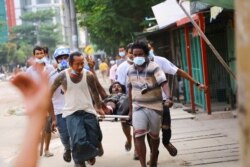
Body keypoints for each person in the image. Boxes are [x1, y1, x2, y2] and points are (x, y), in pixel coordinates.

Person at [146, 41, 207, 164]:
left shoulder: (160, 61)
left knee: (166, 125)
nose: (147, 52)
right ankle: (153, 153)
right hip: (144, 102)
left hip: (162, 99)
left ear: (152, 48)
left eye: (149, 49)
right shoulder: (135, 66)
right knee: (149, 129)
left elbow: (178, 71)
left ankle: (166, 142)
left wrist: (196, 83)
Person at [50, 51, 105, 167]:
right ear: (70, 64)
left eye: (82, 63)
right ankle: (81, 160)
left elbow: (95, 92)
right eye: (77, 64)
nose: (80, 67)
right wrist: (50, 115)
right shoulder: (62, 76)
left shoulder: (88, 75)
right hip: (71, 113)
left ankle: (90, 153)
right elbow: (48, 93)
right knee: (78, 140)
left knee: (95, 137)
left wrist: (99, 107)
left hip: (88, 111)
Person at [127, 41, 173, 167]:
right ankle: (143, 165)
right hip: (138, 108)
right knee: (139, 135)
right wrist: (130, 110)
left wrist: (168, 97)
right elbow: (129, 90)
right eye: (134, 55)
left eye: (140, 54)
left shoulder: (154, 67)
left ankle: (154, 156)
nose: (137, 57)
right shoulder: (130, 70)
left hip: (155, 107)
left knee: (154, 137)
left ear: (146, 54)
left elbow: (164, 83)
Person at [11, 68, 50, 167]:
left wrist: (37, 114)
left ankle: (46, 148)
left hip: (43, 103)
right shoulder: (29, 71)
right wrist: (36, 116)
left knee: (47, 131)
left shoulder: (49, 69)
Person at [26, 45, 55, 157]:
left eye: (41, 53)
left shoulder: (51, 69)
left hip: (48, 101)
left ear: (45, 54)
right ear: (34, 55)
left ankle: (46, 149)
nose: (39, 55)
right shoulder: (29, 71)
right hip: (35, 102)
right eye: (37, 54)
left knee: (47, 127)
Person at [49, 47, 71, 162]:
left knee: (79, 135)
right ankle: (67, 149)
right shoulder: (51, 76)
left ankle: (80, 157)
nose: (63, 60)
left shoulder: (78, 73)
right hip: (60, 111)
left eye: (66, 57)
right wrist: (53, 118)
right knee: (65, 136)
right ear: (56, 60)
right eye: (60, 58)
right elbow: (48, 98)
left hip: (76, 109)